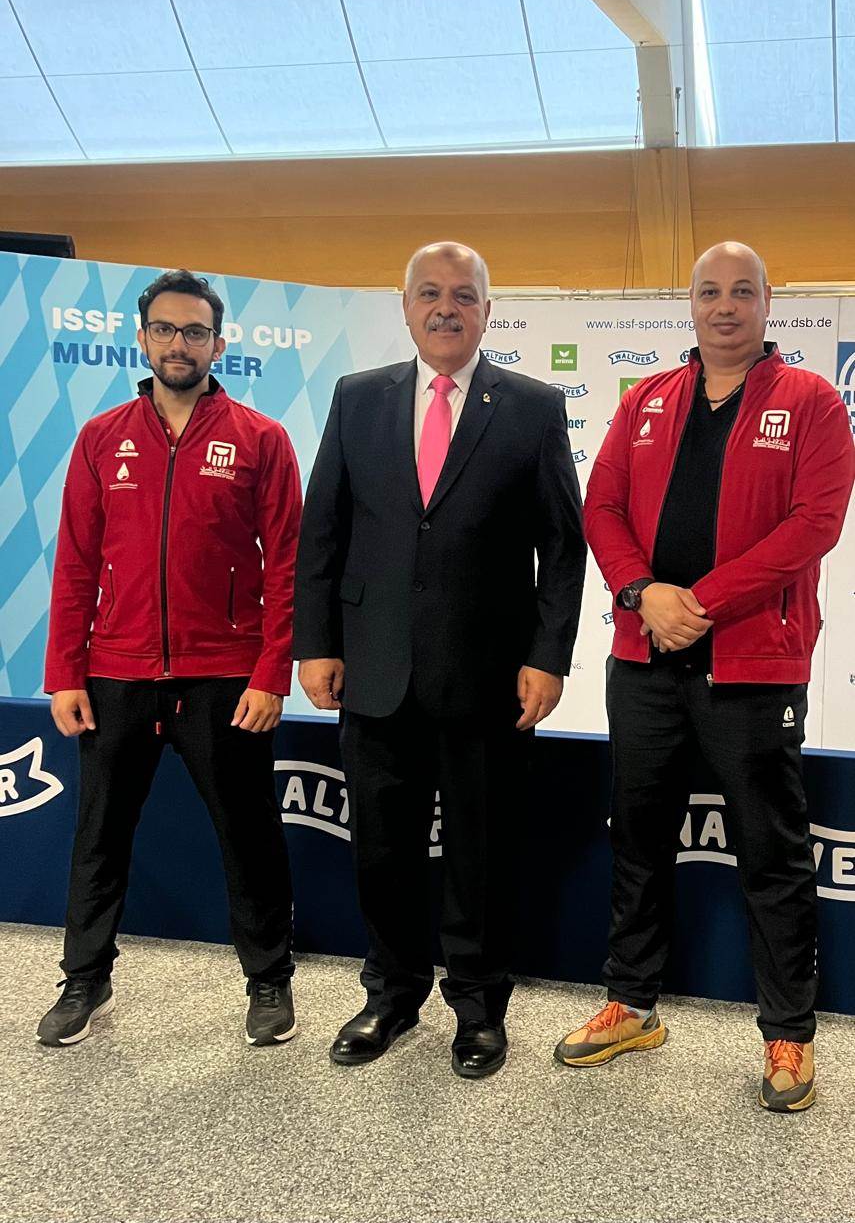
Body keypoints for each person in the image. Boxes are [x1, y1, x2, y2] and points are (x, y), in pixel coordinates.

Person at [555, 241, 855, 1112]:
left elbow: (814, 524)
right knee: (638, 837)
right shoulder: (645, 399)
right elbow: (601, 506)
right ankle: (631, 1004)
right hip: (643, 657)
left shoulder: (810, 401)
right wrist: (641, 593)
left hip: (752, 663)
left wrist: (702, 602)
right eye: (709, 291)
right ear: (688, 303)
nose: (724, 305)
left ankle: (788, 1036)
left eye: (741, 291)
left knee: (770, 851)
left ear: (767, 302)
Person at [294, 241, 585, 1078]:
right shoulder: (357, 398)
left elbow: (562, 546)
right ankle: (390, 994)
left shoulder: (531, 406)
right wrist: (315, 644)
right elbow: (323, 531)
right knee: (381, 849)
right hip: (373, 668)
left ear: (487, 312)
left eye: (463, 295)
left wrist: (547, 657)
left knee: (479, 852)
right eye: (429, 293)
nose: (445, 308)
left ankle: (478, 1005)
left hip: (487, 676)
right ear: (405, 306)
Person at [38, 269, 302, 1049]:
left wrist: (270, 673)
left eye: (194, 331)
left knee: (249, 837)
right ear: (143, 338)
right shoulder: (101, 438)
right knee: (98, 836)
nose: (178, 344)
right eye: (164, 329)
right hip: (115, 674)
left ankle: (268, 981)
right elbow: (76, 563)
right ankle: (85, 978)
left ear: (218, 345)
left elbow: (287, 567)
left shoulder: (260, 438)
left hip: (224, 675)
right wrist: (65, 673)